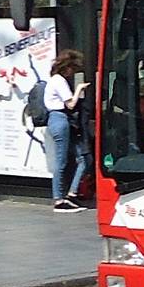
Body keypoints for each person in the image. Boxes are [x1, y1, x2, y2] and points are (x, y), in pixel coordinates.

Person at [45, 50, 88, 211]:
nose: (72, 73)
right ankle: (59, 199)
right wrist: (79, 89)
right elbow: (70, 104)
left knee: (82, 159)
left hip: (58, 120)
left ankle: (71, 194)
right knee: (62, 161)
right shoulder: (59, 81)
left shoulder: (54, 80)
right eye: (72, 69)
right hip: (60, 119)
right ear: (66, 67)